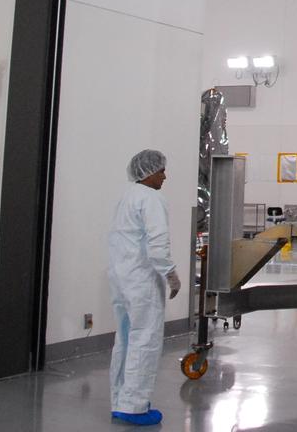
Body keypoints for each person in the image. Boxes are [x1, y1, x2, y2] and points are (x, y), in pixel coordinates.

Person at [107, 149, 181, 427]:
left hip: (121, 278)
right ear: (148, 173)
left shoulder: (126, 196)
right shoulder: (152, 198)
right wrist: (171, 274)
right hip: (142, 281)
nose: (165, 176)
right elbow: (157, 243)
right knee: (145, 340)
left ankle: (120, 401)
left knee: (125, 339)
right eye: (161, 171)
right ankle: (135, 406)